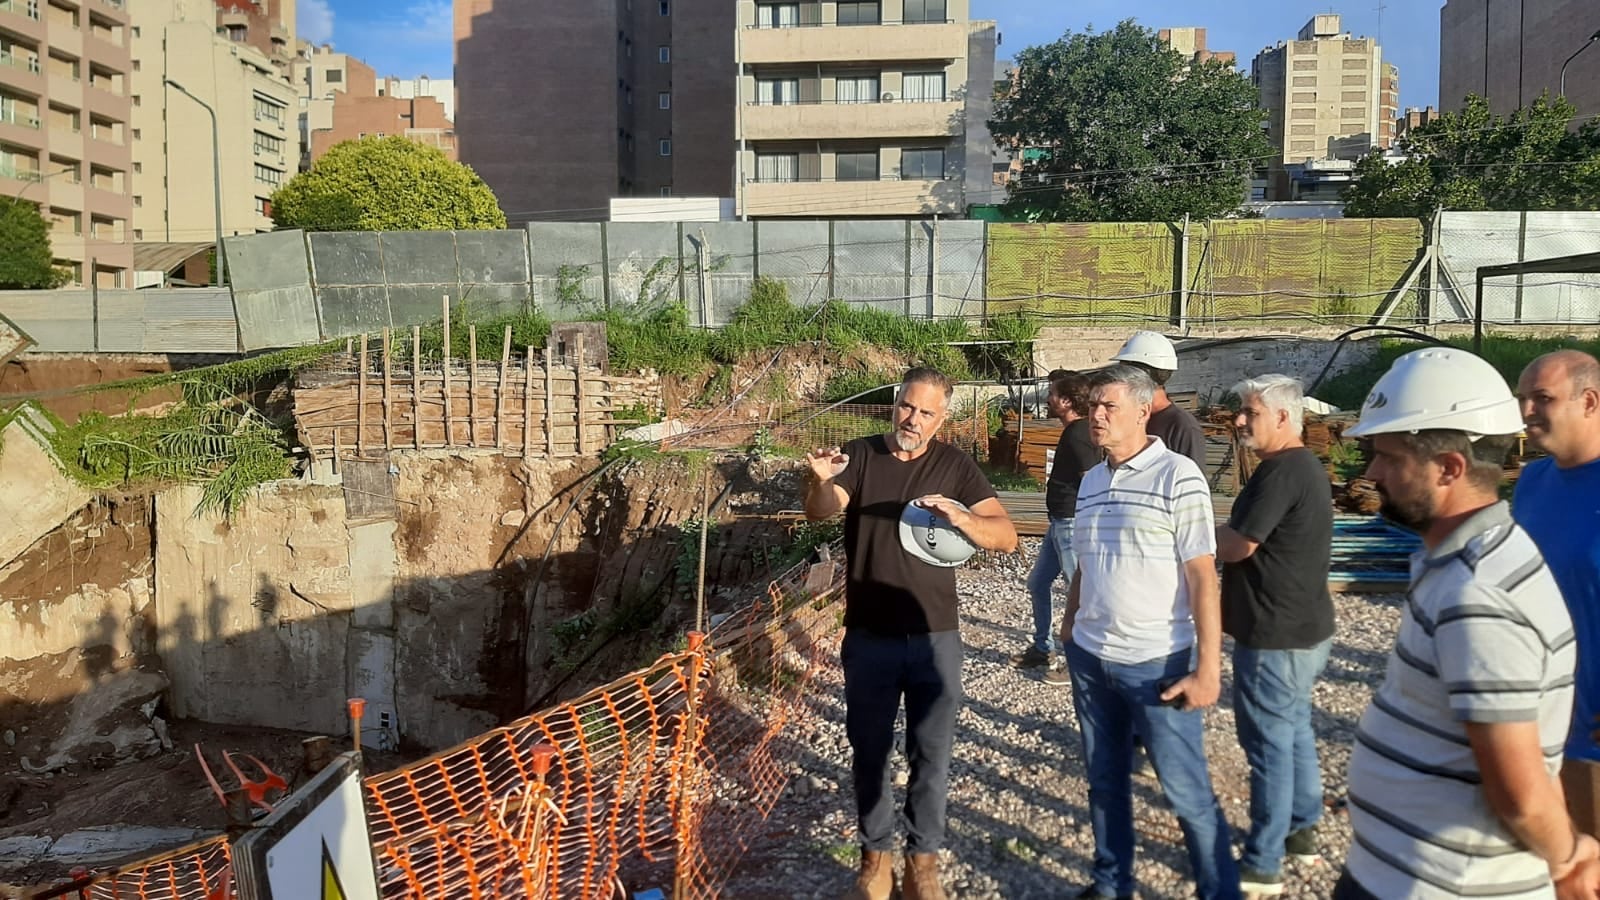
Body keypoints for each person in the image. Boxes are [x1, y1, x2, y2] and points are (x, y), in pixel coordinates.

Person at [1335, 347, 1598, 899]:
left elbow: (1522, 794)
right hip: (1404, 875)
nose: (1372, 473)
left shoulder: (1477, 591)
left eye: (1386, 456)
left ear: (1450, 468)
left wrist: (1571, 856)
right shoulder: (1458, 561)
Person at [804, 367, 1018, 900]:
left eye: (925, 412)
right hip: (870, 635)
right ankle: (875, 857)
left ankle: (923, 864)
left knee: (931, 754)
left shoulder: (955, 466)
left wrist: (962, 519)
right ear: (894, 403)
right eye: (906, 406)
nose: (912, 420)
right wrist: (822, 481)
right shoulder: (860, 454)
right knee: (869, 750)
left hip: (934, 635)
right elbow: (820, 512)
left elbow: (1007, 537)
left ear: (942, 418)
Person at [1058, 364, 1239, 900]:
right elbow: (1088, 562)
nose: (1096, 415)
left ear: (1142, 411)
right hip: (1091, 660)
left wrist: (1208, 668)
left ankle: (1220, 890)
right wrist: (1070, 623)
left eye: (1109, 406)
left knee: (1186, 792)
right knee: (1105, 781)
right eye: (1092, 405)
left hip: (1157, 662)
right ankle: (1112, 881)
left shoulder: (1178, 476)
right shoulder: (1092, 481)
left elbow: (1202, 575)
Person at [1215, 375, 1334, 896]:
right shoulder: (1300, 467)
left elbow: (1240, 545)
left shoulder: (1282, 472)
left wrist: (1188, 531)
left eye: (1250, 412)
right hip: (1304, 629)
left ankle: (1263, 862)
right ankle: (1303, 827)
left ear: (1284, 418)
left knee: (1267, 746)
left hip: (1274, 636)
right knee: (1294, 730)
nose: (1240, 420)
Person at [1515, 350, 1600, 838]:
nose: (1526, 411)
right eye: (1523, 398)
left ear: (1588, 401)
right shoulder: (1531, 483)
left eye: (1541, 398)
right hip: (1534, 725)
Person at [1010, 370, 1098, 685]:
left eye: (1052, 393)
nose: (1048, 399)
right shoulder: (1073, 430)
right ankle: (1042, 648)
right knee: (1037, 584)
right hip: (1058, 523)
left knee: (1080, 594)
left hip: (1072, 524)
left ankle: (1081, 663)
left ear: (1065, 400)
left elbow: (1092, 479)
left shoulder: (1078, 433)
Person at [1113, 330, 1207, 470]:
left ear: (1143, 375)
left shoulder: (1182, 426)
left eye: (1124, 371)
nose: (1120, 379)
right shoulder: (1130, 417)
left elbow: (1192, 482)